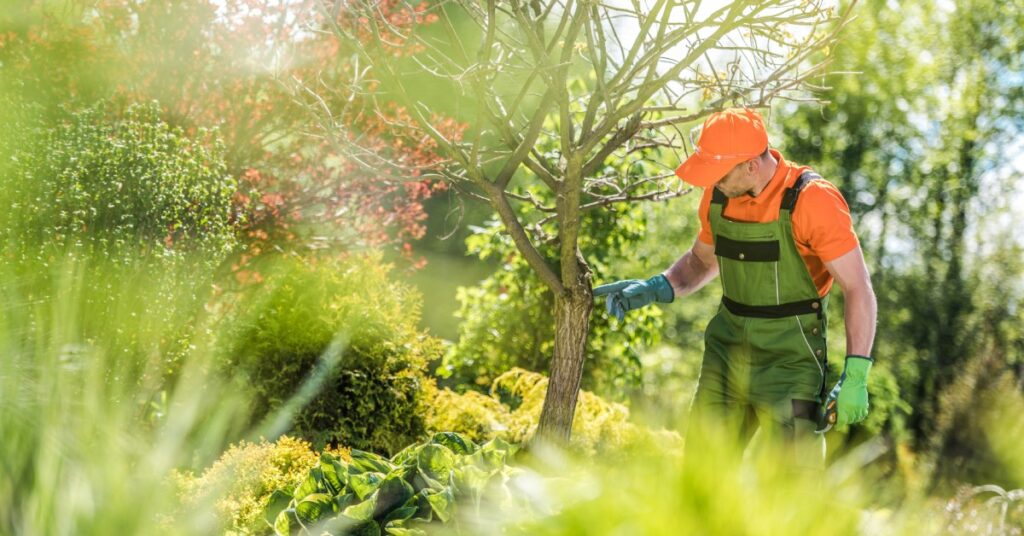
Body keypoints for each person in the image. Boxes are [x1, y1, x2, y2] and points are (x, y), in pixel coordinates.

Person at [594, 108, 877, 470]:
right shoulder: (718, 197)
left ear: (751, 167)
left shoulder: (811, 200)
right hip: (726, 353)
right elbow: (700, 262)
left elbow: (857, 287)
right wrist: (655, 287)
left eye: (719, 174)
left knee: (791, 486)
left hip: (790, 360)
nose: (712, 183)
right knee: (703, 475)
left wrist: (856, 373)